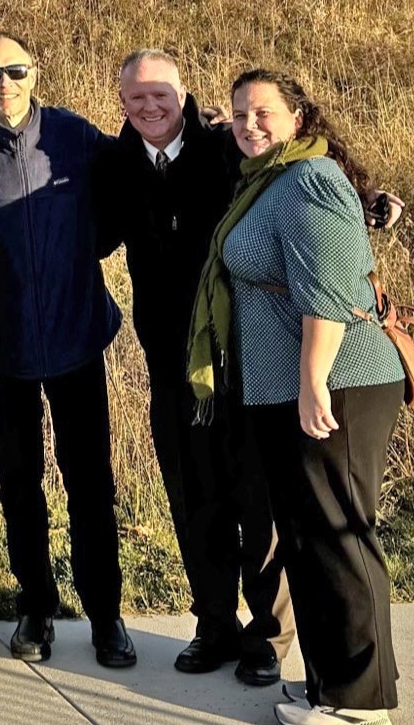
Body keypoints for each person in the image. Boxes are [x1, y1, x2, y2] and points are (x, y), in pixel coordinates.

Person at [193, 70, 405, 725]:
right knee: (309, 540)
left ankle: (362, 708)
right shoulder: (269, 179)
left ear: (296, 114)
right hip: (288, 385)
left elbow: (328, 289)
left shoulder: (310, 179)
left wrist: (313, 381)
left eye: (261, 112)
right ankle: (333, 685)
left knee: (339, 534)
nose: (247, 123)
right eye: (236, 114)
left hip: (334, 383)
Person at [0, 32, 136, 669]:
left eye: (16, 70)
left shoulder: (77, 137)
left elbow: (144, 171)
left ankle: (106, 615)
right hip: (7, 349)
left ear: (36, 71)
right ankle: (35, 603)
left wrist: (209, 132)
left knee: (90, 482)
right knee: (22, 485)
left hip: (78, 339)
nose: (5, 84)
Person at [99, 49, 292, 685]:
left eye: (161, 95)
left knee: (257, 499)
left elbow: (297, 170)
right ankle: (214, 624)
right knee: (193, 497)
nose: (149, 108)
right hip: (171, 364)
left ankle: (267, 638)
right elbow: (87, 234)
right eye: (136, 98)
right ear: (122, 103)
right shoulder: (117, 165)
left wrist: (369, 196)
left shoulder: (224, 149)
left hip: (244, 358)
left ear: (184, 95)